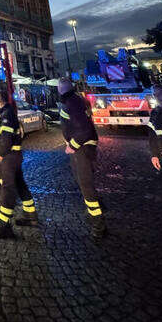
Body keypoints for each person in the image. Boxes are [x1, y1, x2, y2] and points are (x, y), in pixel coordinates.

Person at [58, 78, 106, 241]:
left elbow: (84, 129)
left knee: (85, 183)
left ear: (60, 90)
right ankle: (96, 207)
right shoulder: (76, 100)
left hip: (82, 148)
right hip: (85, 147)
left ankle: (98, 223)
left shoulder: (72, 102)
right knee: (84, 181)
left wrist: (72, 144)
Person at [0, 89, 38, 239]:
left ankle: (3, 226)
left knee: (8, 189)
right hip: (15, 156)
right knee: (20, 184)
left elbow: (5, 141)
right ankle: (30, 214)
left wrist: (0, 153)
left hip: (9, 157)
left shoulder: (5, 116)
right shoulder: (8, 112)